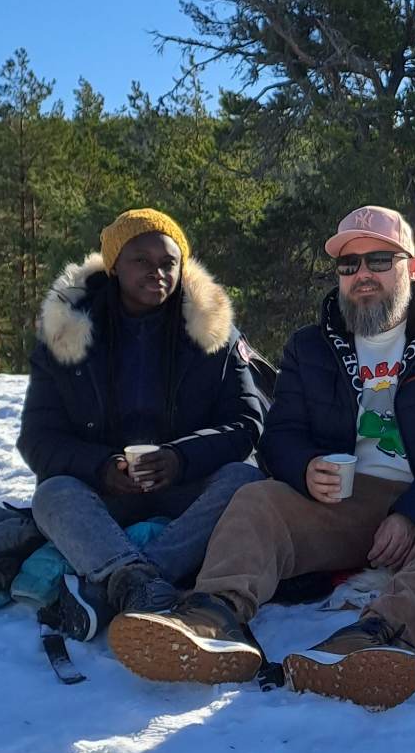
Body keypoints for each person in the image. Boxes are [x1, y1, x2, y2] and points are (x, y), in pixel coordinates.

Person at [106, 204, 415, 704]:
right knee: (258, 499)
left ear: (413, 267)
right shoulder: (311, 345)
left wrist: (411, 513)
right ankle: (213, 618)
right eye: (349, 265)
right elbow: (279, 435)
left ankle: (370, 639)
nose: (362, 275)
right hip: (344, 500)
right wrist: (303, 468)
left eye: (379, 260)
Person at [19, 209, 271, 635]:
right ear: (115, 265)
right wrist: (101, 466)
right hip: (107, 489)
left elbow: (248, 421)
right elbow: (38, 437)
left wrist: (181, 458)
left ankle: (127, 580)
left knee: (244, 482)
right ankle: (140, 581)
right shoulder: (68, 331)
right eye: (141, 260)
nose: (157, 272)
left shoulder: (213, 331)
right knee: (52, 493)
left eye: (168, 262)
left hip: (187, 487)